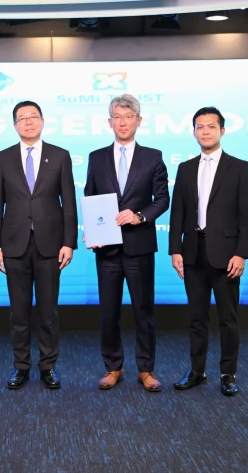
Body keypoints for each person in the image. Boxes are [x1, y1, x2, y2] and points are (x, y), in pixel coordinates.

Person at [0, 101, 78, 390]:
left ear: (42, 121)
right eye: (22, 118)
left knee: (48, 311)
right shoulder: (3, 158)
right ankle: (21, 366)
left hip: (50, 244)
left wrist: (69, 242)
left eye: (33, 117)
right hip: (13, 245)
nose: (28, 122)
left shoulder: (60, 155)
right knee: (19, 312)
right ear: (15, 125)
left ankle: (48, 366)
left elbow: (69, 203)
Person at [168, 107, 248, 396]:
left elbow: (247, 216)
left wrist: (242, 253)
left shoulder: (239, 167)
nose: (205, 131)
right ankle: (197, 371)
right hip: (193, 253)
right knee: (196, 317)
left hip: (227, 255)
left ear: (222, 131)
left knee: (228, 318)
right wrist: (175, 249)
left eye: (211, 126)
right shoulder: (185, 168)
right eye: (200, 127)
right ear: (193, 132)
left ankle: (228, 374)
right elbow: (178, 213)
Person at [84, 94, 169, 392]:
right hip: (106, 248)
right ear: (109, 122)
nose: (123, 122)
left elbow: (162, 199)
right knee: (109, 312)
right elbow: (91, 197)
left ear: (139, 121)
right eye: (117, 117)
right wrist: (91, 230)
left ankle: (146, 369)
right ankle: (113, 367)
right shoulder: (96, 158)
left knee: (143, 311)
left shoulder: (153, 157)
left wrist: (140, 216)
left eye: (128, 117)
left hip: (139, 246)